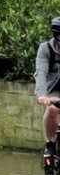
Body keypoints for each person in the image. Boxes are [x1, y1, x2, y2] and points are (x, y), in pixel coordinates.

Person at [34, 17, 60, 155]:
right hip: (54, 90)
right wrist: (42, 95)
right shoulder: (46, 49)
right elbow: (41, 72)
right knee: (52, 109)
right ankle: (50, 144)